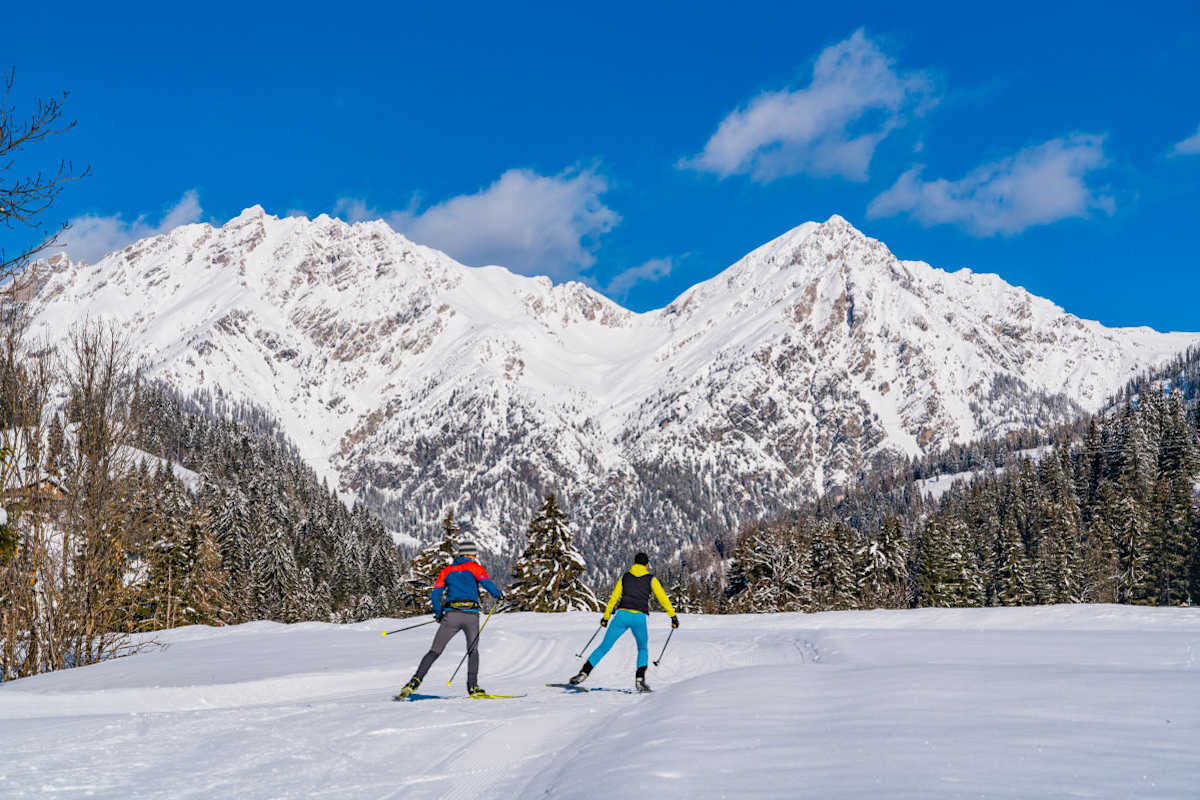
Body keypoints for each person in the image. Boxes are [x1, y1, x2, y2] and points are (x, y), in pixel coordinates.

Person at [397, 540, 503, 698]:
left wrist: (439, 613)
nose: (475, 557)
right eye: (474, 554)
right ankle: (473, 687)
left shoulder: (447, 571)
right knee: (473, 651)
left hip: (451, 616)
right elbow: (487, 584)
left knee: (434, 651)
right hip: (471, 616)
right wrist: (499, 595)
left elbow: (436, 594)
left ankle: (414, 682)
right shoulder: (475, 567)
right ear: (470, 554)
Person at [568, 551, 678, 692]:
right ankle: (640, 680)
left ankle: (584, 672)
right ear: (646, 564)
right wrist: (673, 616)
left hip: (621, 616)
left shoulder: (625, 577)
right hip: (639, 618)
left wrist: (606, 617)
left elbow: (613, 598)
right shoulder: (651, 579)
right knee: (642, 648)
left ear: (634, 563)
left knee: (604, 647)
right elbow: (663, 598)